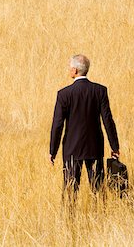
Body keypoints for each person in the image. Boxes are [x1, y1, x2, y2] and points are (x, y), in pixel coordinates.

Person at [49, 54, 120, 203]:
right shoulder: (100, 91)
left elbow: (57, 125)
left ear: (75, 70)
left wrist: (53, 151)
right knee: (98, 190)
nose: (69, 70)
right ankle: (100, 217)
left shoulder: (64, 94)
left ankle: (69, 220)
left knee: (70, 191)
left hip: (72, 149)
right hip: (94, 147)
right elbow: (108, 120)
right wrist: (115, 146)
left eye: (70, 68)